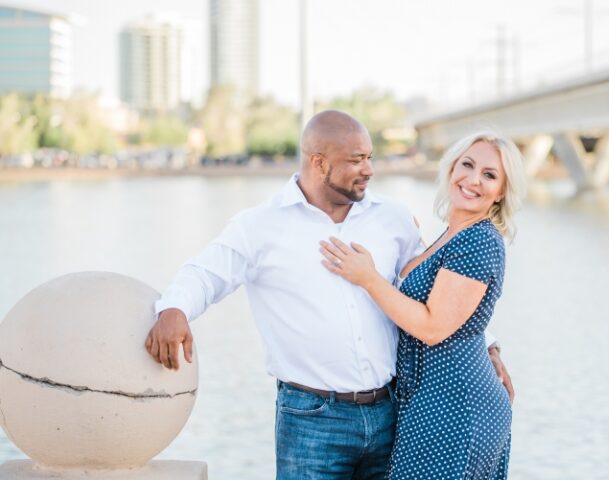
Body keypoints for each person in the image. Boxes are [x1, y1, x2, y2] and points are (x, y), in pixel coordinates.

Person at [144, 111, 514, 479]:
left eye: (369, 157)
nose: (369, 169)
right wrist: (174, 308)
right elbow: (205, 273)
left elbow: (433, 291)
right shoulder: (260, 225)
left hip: (391, 413)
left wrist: (488, 344)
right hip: (312, 421)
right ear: (318, 163)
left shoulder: (392, 217)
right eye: (356, 160)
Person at [319, 132, 526, 479]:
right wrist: (490, 342)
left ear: (502, 192)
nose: (474, 179)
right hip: (431, 404)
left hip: (456, 410)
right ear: (451, 169)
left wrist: (368, 278)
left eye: (490, 175)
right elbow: (455, 305)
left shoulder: (479, 241)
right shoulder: (452, 234)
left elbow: (432, 327)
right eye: (468, 165)